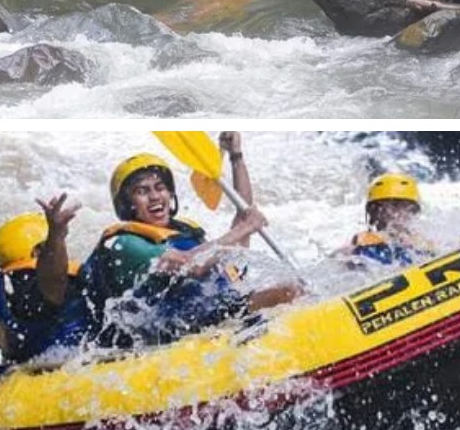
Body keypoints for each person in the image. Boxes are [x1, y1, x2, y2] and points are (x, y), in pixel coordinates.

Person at [80, 135, 301, 346]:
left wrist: (236, 156)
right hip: (170, 330)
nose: (155, 196)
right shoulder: (126, 244)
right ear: (128, 204)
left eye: (160, 187)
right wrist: (246, 227)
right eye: (142, 191)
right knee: (288, 292)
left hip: (214, 315)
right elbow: (190, 264)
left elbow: (241, 230)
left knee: (302, 284)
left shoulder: (187, 232)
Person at [0, 194, 90, 364]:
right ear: (39, 251)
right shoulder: (57, 276)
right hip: (69, 364)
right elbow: (53, 283)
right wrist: (56, 235)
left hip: (21, 370)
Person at [334, 173, 436, 268]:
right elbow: (337, 261)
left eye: (407, 206)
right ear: (376, 211)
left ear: (414, 210)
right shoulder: (359, 243)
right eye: (394, 205)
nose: (401, 212)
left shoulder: (423, 244)